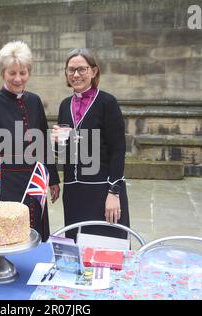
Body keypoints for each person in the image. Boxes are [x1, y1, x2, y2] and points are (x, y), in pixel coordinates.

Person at [0, 41, 60, 241]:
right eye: (12, 73)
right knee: (7, 237)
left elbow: (42, 139)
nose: (18, 79)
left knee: (35, 235)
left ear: (29, 72)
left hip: (33, 179)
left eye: (23, 72)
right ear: (2, 73)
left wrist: (52, 178)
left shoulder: (34, 101)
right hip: (4, 182)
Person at [52, 48, 130, 240]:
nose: (75, 74)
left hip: (102, 189)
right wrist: (56, 144)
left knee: (107, 248)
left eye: (81, 69)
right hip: (74, 192)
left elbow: (118, 151)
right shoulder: (64, 105)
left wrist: (114, 192)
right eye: (71, 70)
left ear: (93, 72)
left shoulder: (107, 102)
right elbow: (64, 154)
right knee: (78, 249)